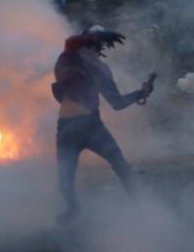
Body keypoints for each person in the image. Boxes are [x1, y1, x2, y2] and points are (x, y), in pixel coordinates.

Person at [51, 25, 154, 224]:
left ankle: (143, 209)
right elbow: (73, 42)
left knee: (120, 166)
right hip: (77, 126)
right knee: (66, 177)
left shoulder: (95, 66)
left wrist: (141, 93)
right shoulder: (70, 57)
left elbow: (117, 103)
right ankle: (73, 209)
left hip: (85, 125)